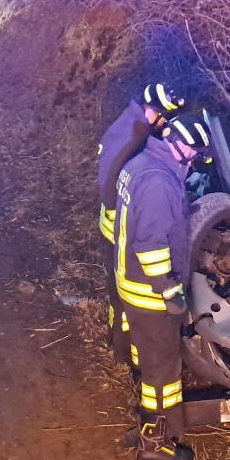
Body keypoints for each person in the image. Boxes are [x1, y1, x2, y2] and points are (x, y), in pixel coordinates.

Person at [113, 114, 212, 460]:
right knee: (162, 372)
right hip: (150, 294)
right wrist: (171, 292)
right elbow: (150, 245)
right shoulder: (159, 182)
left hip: (130, 285)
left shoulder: (139, 162)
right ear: (177, 143)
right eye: (193, 152)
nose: (194, 159)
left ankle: (144, 417)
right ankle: (155, 443)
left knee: (147, 361)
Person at [96, 83, 186, 369]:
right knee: (125, 298)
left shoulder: (127, 124)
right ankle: (130, 356)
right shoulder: (133, 136)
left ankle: (120, 348)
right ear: (154, 113)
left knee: (118, 295)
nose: (164, 127)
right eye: (163, 119)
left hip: (116, 224)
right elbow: (112, 184)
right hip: (119, 228)